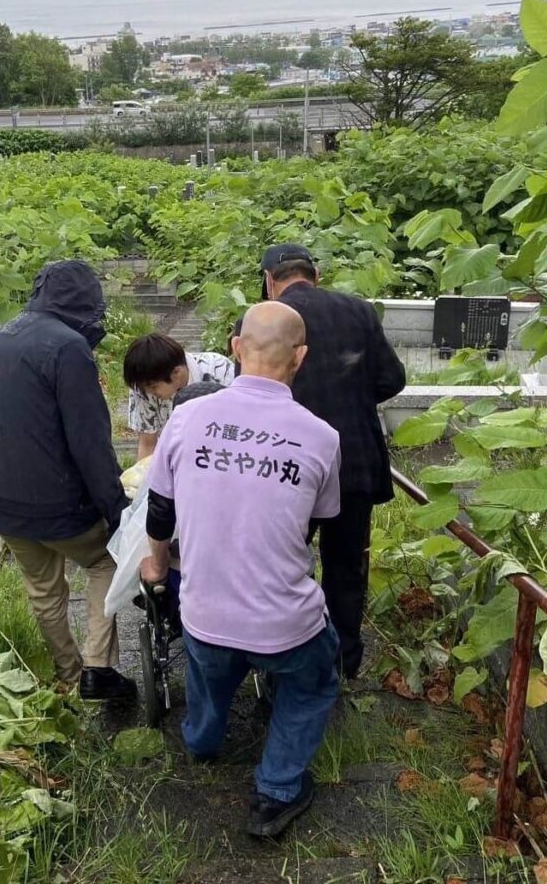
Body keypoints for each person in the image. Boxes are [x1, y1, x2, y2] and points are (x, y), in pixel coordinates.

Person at [140, 302, 342, 838]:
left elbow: (160, 511)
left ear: (235, 348)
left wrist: (157, 567)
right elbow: (310, 529)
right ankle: (276, 790)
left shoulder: (186, 418)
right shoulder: (321, 436)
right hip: (285, 625)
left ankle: (203, 741)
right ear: (300, 357)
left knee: (208, 667)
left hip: (203, 612)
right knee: (314, 679)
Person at [0, 260, 136, 701]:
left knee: (43, 588)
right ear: (83, 301)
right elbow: (89, 440)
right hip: (57, 500)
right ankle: (98, 671)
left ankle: (68, 673)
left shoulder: (2, 336)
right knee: (106, 563)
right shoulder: (67, 347)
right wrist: (116, 507)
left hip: (2, 499)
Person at [257, 244, 406, 679]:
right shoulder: (358, 312)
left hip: (284, 466)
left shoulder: (261, 321)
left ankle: (281, 656)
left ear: (270, 280)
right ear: (315, 274)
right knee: (345, 565)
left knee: (280, 560)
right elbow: (392, 379)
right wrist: (350, 397)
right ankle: (343, 661)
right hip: (352, 462)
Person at [124, 333, 234, 460]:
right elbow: (148, 444)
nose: (148, 393)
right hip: (175, 457)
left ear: (177, 373)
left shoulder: (220, 371)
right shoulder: (142, 387)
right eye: (144, 389)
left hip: (222, 455)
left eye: (153, 387)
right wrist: (143, 477)